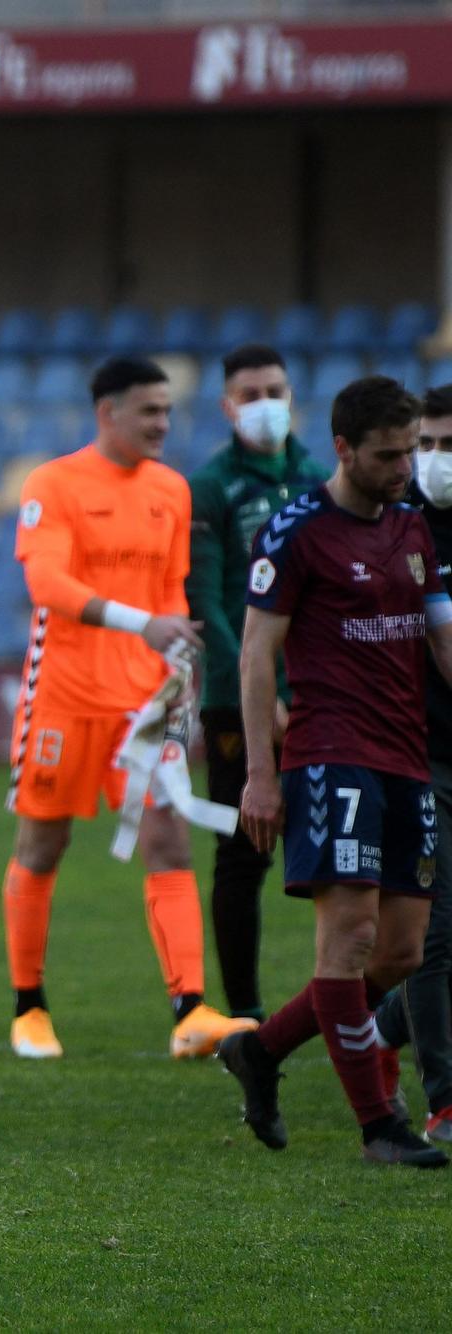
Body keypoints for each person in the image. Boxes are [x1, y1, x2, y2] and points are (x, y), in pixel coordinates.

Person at [219, 376, 452, 1167]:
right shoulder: (296, 533)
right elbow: (258, 654)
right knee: (348, 941)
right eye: (390, 455)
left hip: (404, 759)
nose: (404, 467)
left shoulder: (415, 530)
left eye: (412, 451)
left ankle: (260, 1050)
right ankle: (380, 1126)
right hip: (330, 755)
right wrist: (260, 771)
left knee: (402, 955)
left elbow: (441, 643)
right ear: (344, 449)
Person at [2, 356, 253, 1060]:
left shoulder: (170, 490)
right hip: (63, 700)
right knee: (43, 844)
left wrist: (177, 670)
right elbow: (47, 583)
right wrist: (137, 624)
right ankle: (30, 1008)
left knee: (169, 838)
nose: (163, 424)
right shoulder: (53, 483)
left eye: (168, 412)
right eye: (150, 411)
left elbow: (170, 594)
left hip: (143, 706)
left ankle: (190, 1010)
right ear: (108, 413)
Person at [186, 345, 329, 1021]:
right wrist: (257, 687)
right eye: (249, 393)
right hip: (233, 699)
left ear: (292, 394)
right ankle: (245, 1013)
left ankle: (355, 1004)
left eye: (274, 388)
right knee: (243, 856)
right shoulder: (212, 486)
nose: (264, 402)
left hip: (320, 694)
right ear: (226, 405)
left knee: (341, 851)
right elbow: (205, 597)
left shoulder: (317, 475)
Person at [369, 384, 452, 1144]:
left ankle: (372, 1028)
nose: (432, 461)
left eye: (445, 446)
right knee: (437, 930)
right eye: (424, 445)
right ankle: (446, 1099)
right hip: (418, 752)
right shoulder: (397, 529)